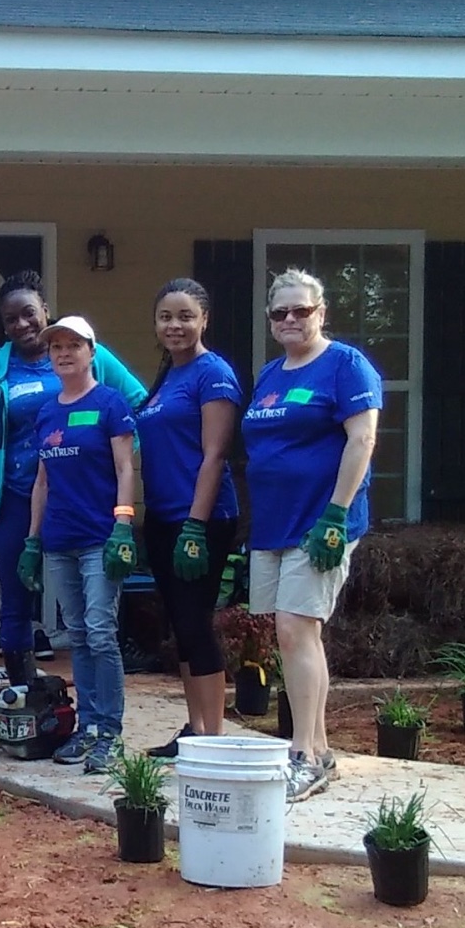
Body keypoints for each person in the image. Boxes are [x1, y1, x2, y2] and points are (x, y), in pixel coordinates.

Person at [0, 270, 148, 692]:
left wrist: (117, 454)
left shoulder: (83, 353)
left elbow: (139, 402)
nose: (23, 325)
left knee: (89, 611)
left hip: (79, 500)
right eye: (11, 319)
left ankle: (98, 709)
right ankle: (24, 694)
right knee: (15, 597)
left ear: (45, 309)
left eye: (29, 313)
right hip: (10, 499)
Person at [240, 267, 382, 802]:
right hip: (274, 524)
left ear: (321, 312)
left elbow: (362, 437)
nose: (292, 319)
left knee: (297, 630)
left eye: (303, 310)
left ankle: (301, 753)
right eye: (282, 313)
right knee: (291, 634)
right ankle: (317, 749)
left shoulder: (345, 365)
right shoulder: (272, 375)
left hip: (319, 523)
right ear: (271, 320)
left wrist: (336, 514)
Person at [16, 316, 138, 774]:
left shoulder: (110, 403)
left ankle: (110, 733)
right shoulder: (47, 412)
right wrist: (32, 539)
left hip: (99, 537)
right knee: (80, 634)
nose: (63, 354)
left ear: (92, 350)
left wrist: (123, 525)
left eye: (73, 346)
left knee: (102, 631)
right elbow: (42, 481)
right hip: (59, 540)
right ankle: (87, 727)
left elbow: (126, 468)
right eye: (56, 348)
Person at [136, 279, 243, 757]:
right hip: (162, 517)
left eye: (184, 316)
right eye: (165, 317)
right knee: (180, 623)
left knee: (197, 624)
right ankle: (195, 730)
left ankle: (214, 741)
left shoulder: (212, 373)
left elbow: (216, 454)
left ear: (204, 320)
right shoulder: (167, 377)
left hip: (200, 518)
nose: (174, 325)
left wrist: (196, 527)